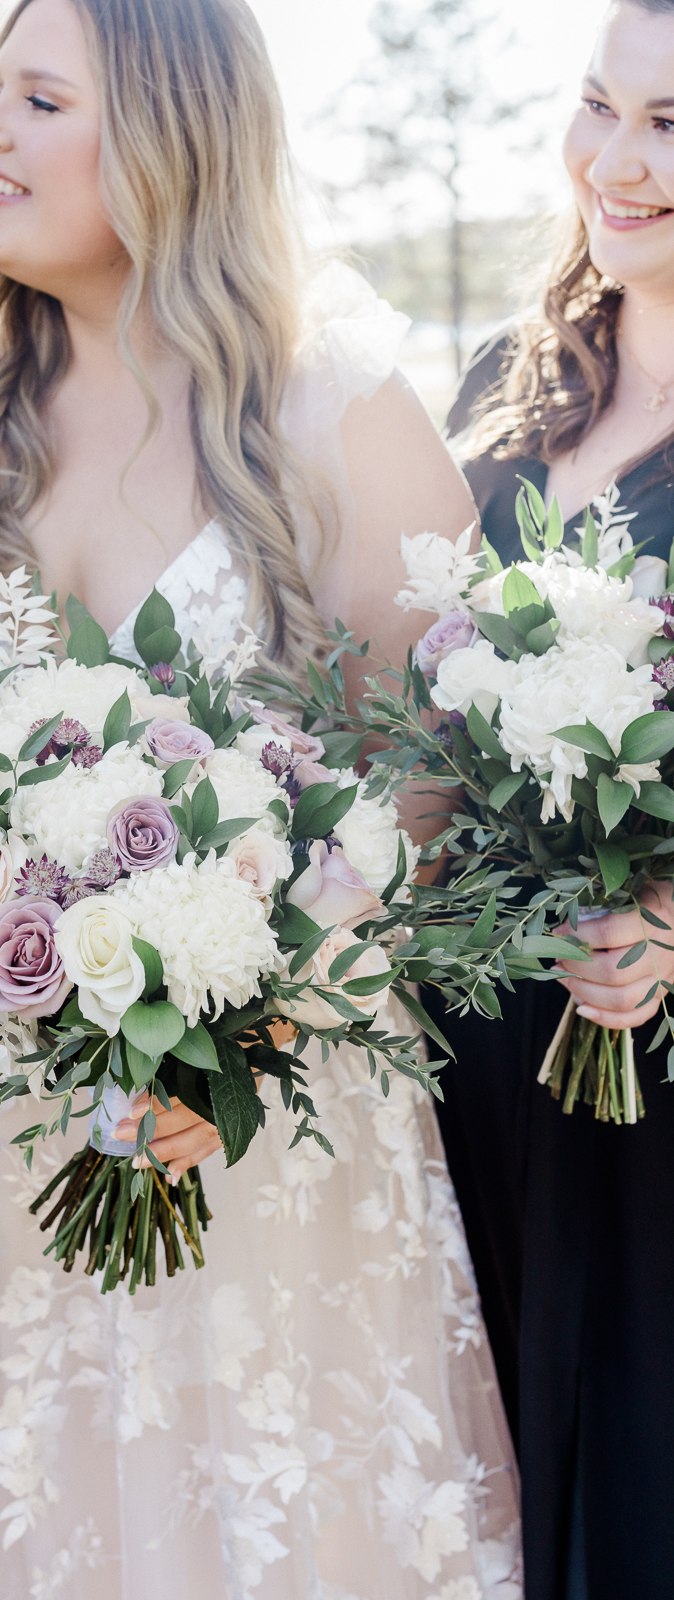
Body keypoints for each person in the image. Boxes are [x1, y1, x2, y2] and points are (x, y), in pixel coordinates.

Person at [0, 2, 522, 1595]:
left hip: (250, 1131)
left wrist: (245, 1050)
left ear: (163, 138)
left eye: (37, 98)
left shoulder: (334, 408)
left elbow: (419, 794)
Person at [431, 4, 674, 1597]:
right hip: (485, 1034)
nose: (615, 160)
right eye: (599, 105)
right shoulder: (500, 391)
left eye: (670, 125)